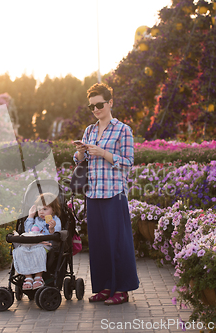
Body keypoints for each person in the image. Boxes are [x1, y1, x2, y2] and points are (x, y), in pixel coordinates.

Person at [72, 83, 139, 305]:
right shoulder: (89, 131)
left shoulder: (123, 130)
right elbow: (81, 162)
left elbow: (128, 163)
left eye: (100, 104)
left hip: (114, 194)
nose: (96, 109)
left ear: (110, 103)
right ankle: (104, 287)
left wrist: (103, 153)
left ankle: (122, 289)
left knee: (118, 244)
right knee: (99, 245)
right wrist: (80, 153)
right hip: (93, 194)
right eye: (92, 106)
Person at [12, 192, 62, 290]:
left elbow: (56, 235)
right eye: (39, 209)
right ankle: (28, 277)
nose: (41, 212)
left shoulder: (55, 220)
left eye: (45, 209)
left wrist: (52, 228)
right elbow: (28, 231)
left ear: (53, 210)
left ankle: (38, 277)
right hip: (32, 243)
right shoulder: (36, 220)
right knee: (20, 250)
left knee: (39, 250)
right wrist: (30, 216)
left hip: (45, 244)